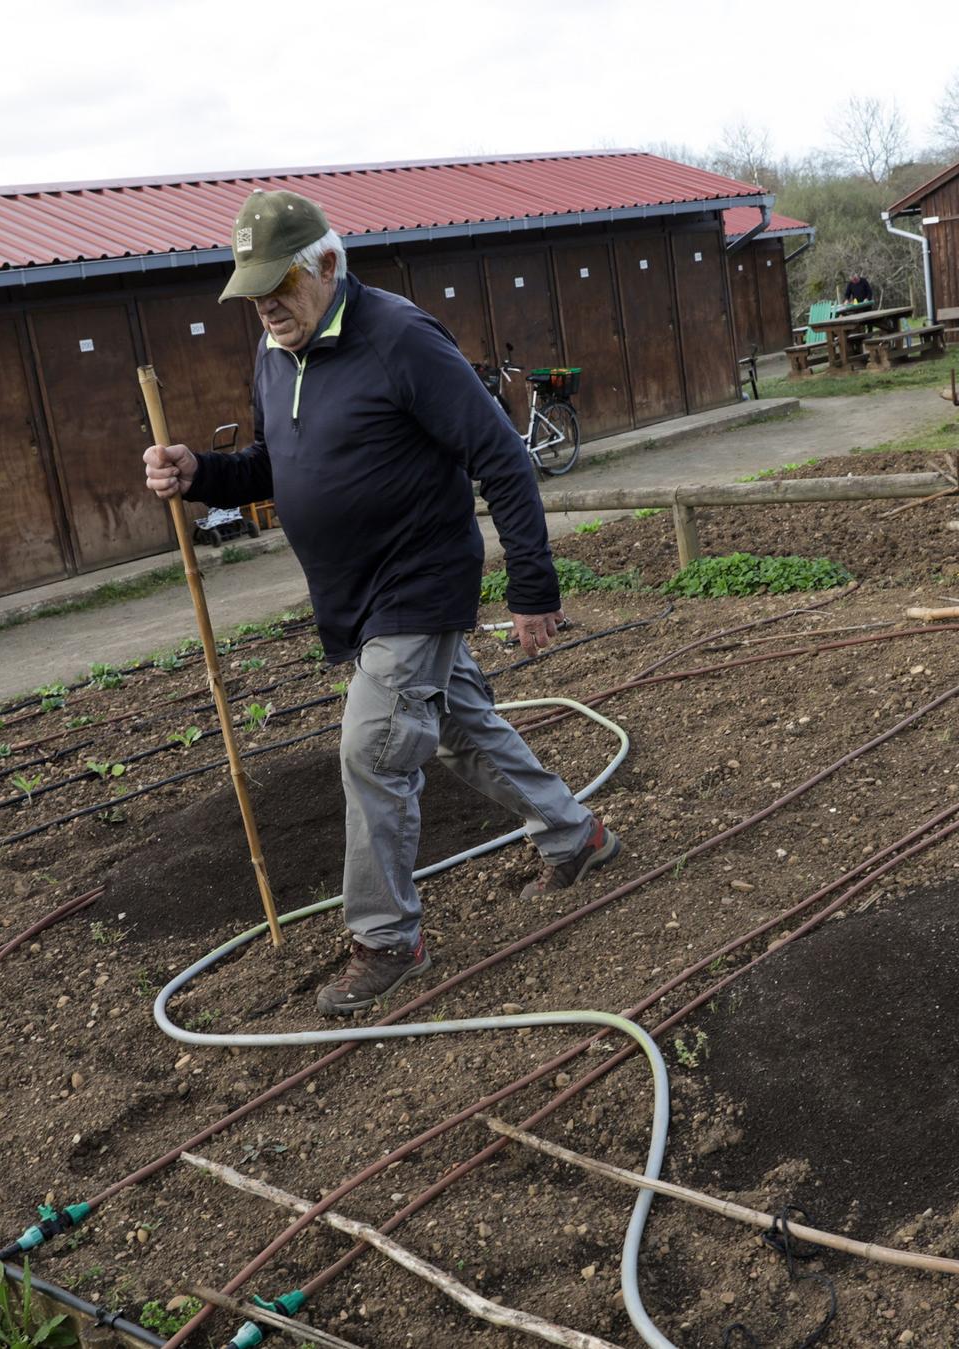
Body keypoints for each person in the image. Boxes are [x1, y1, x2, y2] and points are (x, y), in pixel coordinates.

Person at [142, 190, 621, 1017]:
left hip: (419, 583)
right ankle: (577, 835)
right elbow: (273, 465)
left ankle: (387, 937)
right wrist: (200, 476)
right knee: (462, 731)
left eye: (278, 285)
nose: (264, 304)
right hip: (354, 599)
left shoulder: (399, 338)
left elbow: (501, 459)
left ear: (326, 264)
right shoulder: (274, 354)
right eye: (251, 290)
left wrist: (533, 588)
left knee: (374, 749)